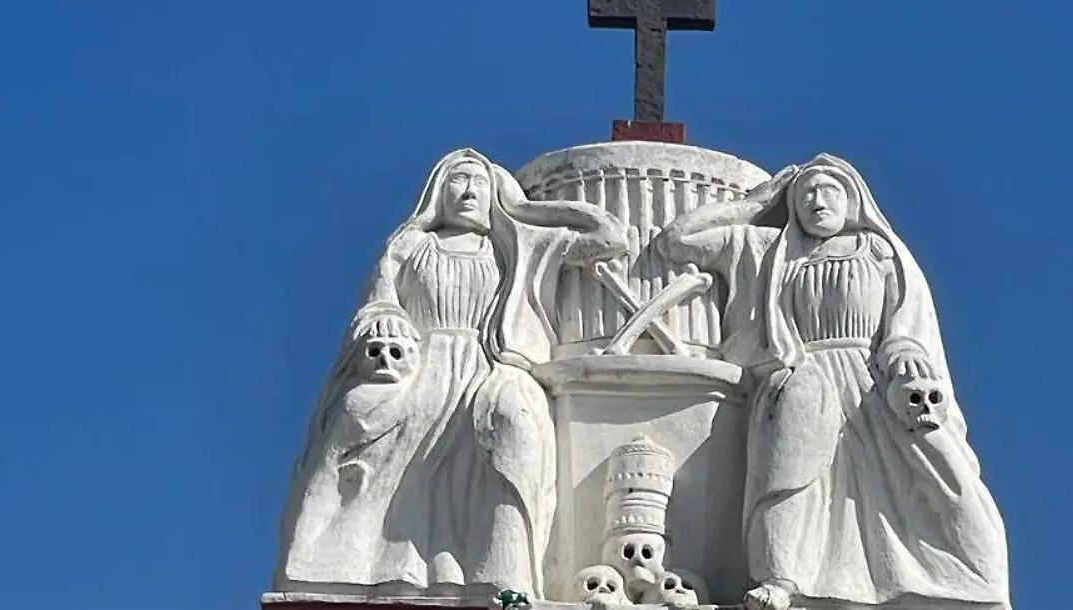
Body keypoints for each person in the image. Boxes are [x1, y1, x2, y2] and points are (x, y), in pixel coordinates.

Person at [656, 154, 1010, 609]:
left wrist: (904, 356)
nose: (816, 201)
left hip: (870, 385)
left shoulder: (880, 252)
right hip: (804, 380)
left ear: (852, 199)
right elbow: (677, 241)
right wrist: (756, 204)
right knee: (789, 478)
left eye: (828, 191)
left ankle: (964, 578)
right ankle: (783, 579)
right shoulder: (769, 250)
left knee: (935, 473)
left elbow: (906, 324)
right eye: (804, 194)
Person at [276, 148, 627, 597]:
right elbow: (377, 306)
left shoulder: (517, 246)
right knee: (359, 414)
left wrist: (526, 209)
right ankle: (365, 568)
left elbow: (608, 238)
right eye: (458, 181)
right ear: (437, 193)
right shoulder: (409, 246)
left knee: (514, 423)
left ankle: (498, 572)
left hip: (490, 367)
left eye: (480, 183)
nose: (468, 192)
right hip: (422, 366)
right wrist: (387, 322)